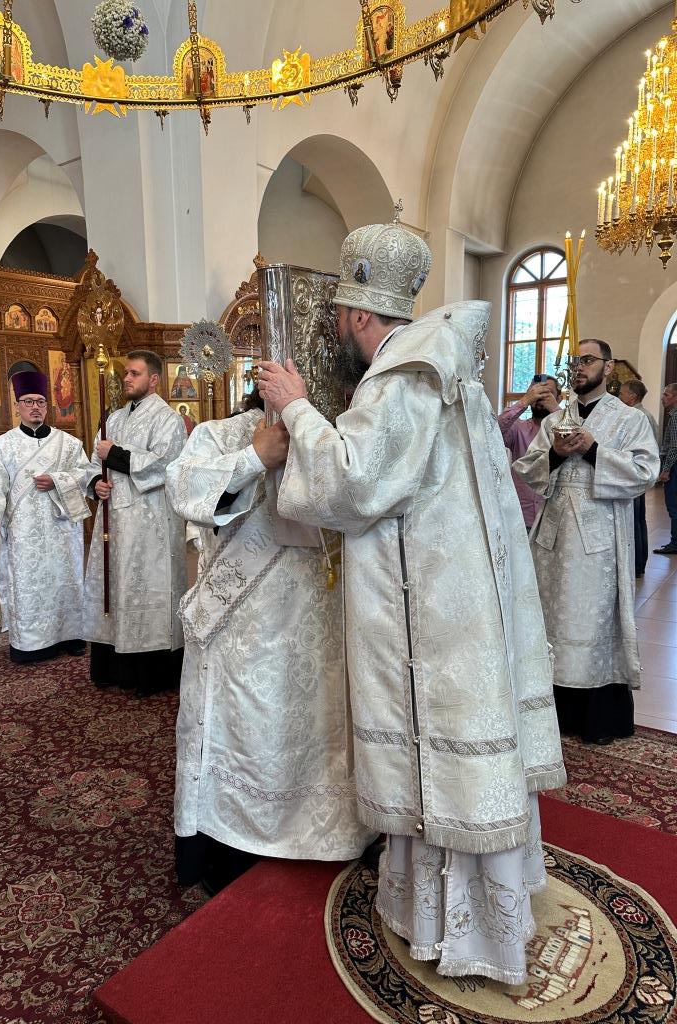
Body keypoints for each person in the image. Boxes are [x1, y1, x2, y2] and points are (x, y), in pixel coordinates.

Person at [258, 221, 565, 986]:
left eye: (340, 313)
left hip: (430, 613)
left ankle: (462, 934)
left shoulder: (401, 375)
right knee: (469, 757)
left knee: (444, 764)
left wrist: (296, 408)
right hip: (463, 597)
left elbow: (353, 482)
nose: (336, 327)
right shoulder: (448, 365)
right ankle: (479, 913)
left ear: (361, 312)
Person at [165, 392, 375, 893]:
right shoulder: (221, 433)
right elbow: (182, 486)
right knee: (249, 723)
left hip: (323, 614)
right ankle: (230, 843)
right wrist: (254, 458)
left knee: (321, 721)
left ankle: (326, 836)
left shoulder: (341, 436)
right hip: (244, 627)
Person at [514, 339, 660, 743]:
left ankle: (596, 718)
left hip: (600, 540)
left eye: (589, 359)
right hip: (553, 537)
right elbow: (527, 468)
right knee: (550, 619)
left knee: (592, 621)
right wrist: (557, 455)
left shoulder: (629, 420)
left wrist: (594, 450)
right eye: (575, 360)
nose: (579, 366)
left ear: (608, 368)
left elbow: (645, 471)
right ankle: (552, 713)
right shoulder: (555, 420)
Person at [83, 349, 187, 697]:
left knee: (145, 585)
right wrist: (95, 483)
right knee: (115, 586)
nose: (126, 379)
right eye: (126, 373)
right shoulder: (112, 419)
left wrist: (114, 454)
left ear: (153, 379)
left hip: (149, 523)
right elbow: (93, 463)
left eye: (134, 373)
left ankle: (150, 673)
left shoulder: (168, 419)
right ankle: (113, 667)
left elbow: (165, 465)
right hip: (114, 518)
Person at [0, 369, 91, 663]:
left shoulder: (68, 444)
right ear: (17, 406)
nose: (35, 407)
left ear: (47, 406)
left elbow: (86, 475)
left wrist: (57, 481)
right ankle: (31, 643)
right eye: (28, 402)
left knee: (66, 580)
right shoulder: (3, 445)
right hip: (24, 533)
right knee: (28, 583)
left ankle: (71, 636)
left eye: (40, 401)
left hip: (62, 530)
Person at [498, 376, 560, 529]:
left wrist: (556, 411)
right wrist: (524, 401)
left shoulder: (565, 429)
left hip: (555, 518)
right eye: (536, 392)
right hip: (521, 518)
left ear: (559, 398)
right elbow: (492, 432)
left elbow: (577, 441)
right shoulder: (518, 428)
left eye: (547, 393)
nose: (540, 398)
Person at [619, 380, 658, 573]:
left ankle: (636, 563)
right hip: (636, 474)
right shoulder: (644, 414)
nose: (619, 397)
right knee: (638, 519)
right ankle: (639, 562)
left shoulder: (637, 416)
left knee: (633, 520)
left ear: (632, 397)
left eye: (622, 394)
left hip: (634, 473)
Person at [654, 382, 677, 556]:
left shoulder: (675, 417)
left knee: (673, 506)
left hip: (675, 467)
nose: (662, 398)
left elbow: (674, 447)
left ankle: (675, 543)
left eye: (666, 395)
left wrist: (666, 469)